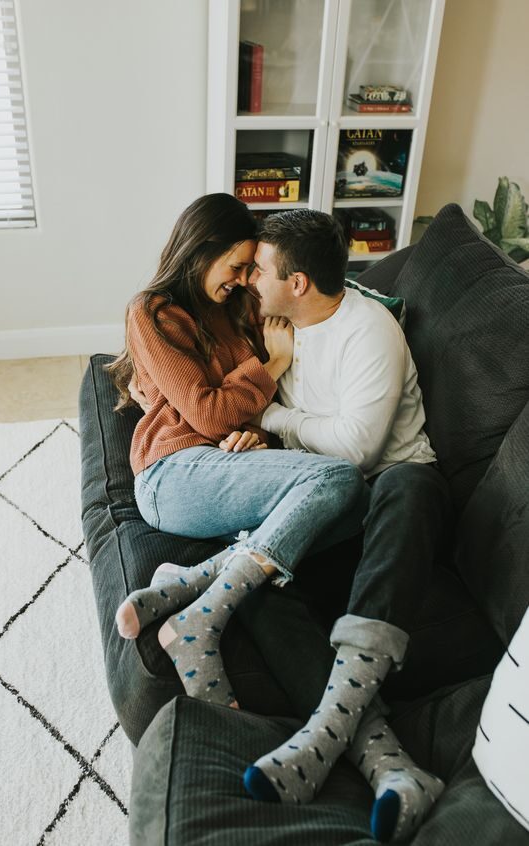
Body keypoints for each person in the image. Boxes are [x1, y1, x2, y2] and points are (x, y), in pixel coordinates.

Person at [115, 198, 447, 842]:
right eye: (241, 267)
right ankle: (385, 761)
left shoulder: (350, 327)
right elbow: (211, 407)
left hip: (376, 486)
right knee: (296, 542)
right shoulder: (246, 321)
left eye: (255, 270)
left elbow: (341, 446)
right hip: (240, 478)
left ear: (293, 282)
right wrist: (260, 396)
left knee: (292, 553)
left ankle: (202, 588)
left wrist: (261, 425)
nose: (247, 282)